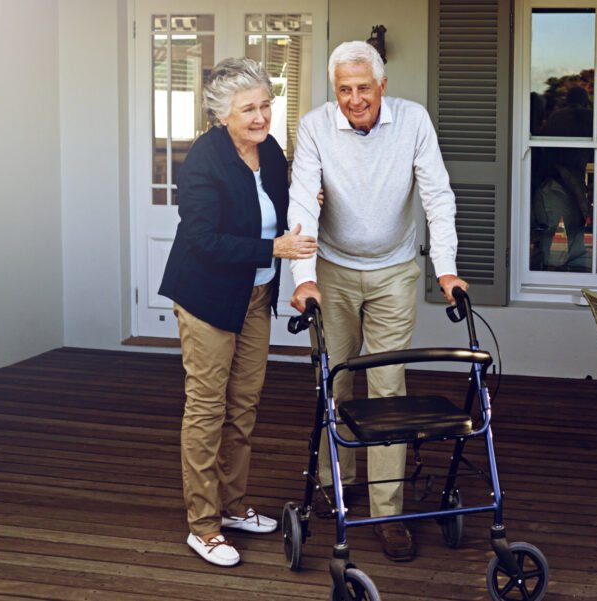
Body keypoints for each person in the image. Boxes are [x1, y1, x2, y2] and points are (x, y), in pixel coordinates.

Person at [287, 41, 468, 562]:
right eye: (344, 89)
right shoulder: (317, 126)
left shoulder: (413, 122)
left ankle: (389, 514)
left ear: (382, 86)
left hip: (393, 270)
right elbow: (303, 198)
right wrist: (303, 277)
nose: (354, 98)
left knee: (388, 390)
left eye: (363, 87)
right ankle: (334, 488)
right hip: (332, 271)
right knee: (335, 380)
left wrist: (446, 268)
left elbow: (437, 196)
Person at [158, 57, 317, 567]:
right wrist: (274, 249)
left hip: (255, 295)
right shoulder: (203, 160)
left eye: (266, 104)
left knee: (243, 406)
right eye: (248, 108)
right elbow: (204, 240)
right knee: (206, 409)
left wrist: (306, 200)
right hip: (207, 296)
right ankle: (203, 526)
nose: (261, 116)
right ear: (220, 115)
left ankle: (234, 506)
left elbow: (279, 203)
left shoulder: (269, 150)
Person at [530, 85, 597, 271]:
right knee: (575, 232)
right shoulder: (590, 118)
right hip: (569, 181)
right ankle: (574, 269)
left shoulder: (556, 117)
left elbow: (543, 149)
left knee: (546, 231)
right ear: (585, 100)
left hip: (549, 180)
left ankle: (541, 270)